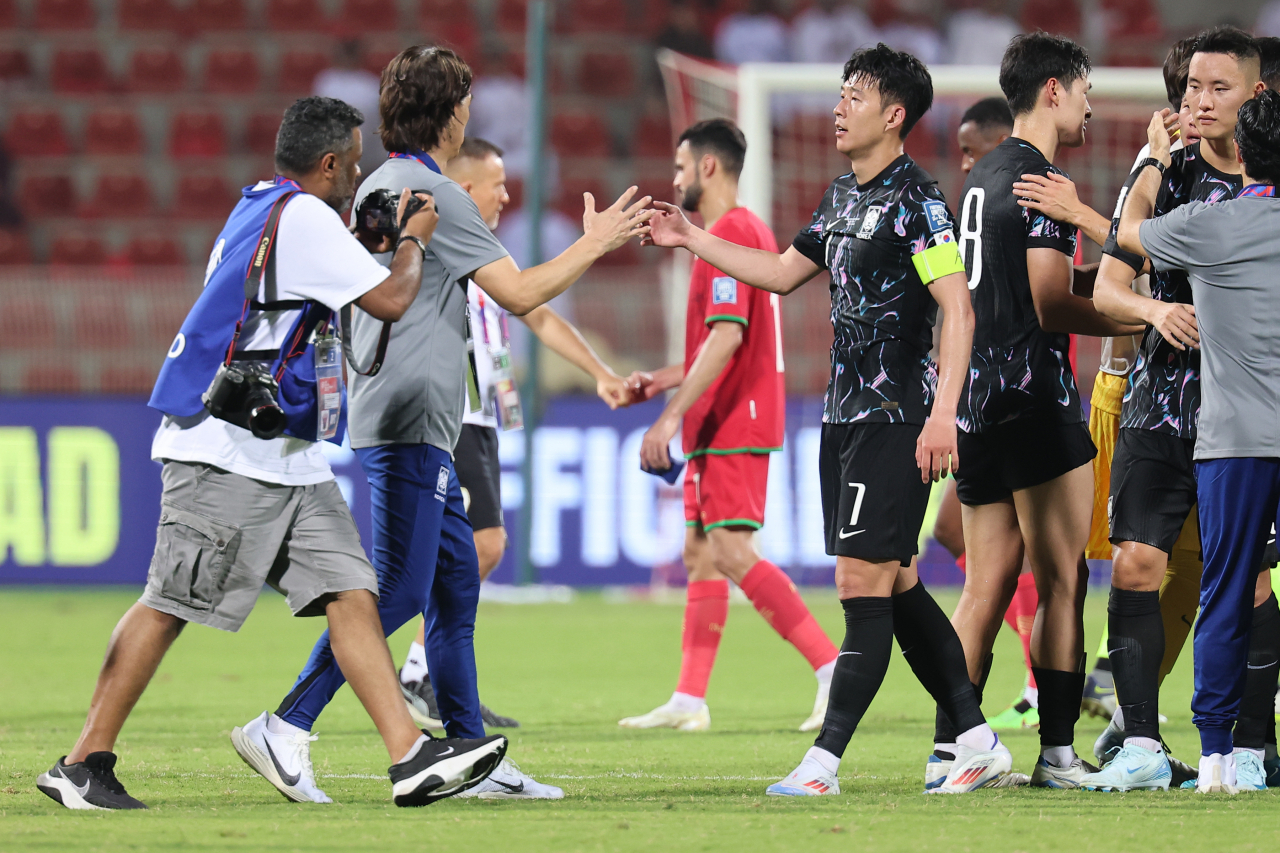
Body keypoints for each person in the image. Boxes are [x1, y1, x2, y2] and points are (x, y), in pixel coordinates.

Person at [36, 96, 510, 811]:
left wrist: (376, 245)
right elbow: (391, 301)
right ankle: (82, 763)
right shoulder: (309, 219)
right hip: (226, 451)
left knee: (353, 591)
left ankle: (410, 757)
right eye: (352, 163)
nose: (360, 175)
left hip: (286, 452)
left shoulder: (258, 207)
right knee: (169, 602)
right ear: (326, 164)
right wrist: (412, 240)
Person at [232, 47, 651, 804]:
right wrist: (596, 242)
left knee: (454, 585)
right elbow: (521, 294)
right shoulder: (435, 189)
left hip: (401, 410)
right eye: (465, 105)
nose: (469, 116)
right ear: (452, 114)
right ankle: (285, 723)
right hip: (410, 417)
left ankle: (471, 757)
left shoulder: (382, 183)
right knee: (396, 590)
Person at [645, 44, 1012, 796]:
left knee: (859, 580)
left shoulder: (919, 200)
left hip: (900, 416)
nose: (839, 107)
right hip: (843, 418)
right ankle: (976, 739)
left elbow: (958, 308)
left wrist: (944, 415)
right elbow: (781, 273)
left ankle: (825, 763)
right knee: (897, 579)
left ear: (895, 114)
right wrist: (692, 240)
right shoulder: (843, 194)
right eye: (840, 94)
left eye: (855, 96)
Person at [943, 32, 1145, 790]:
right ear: (1054, 90)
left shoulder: (979, 178)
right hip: (1034, 397)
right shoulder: (1040, 180)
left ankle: (952, 747)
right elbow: (1052, 299)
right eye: (1085, 88)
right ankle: (1058, 755)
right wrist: (1137, 317)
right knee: (1063, 582)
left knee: (984, 582)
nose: (1092, 102)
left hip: (978, 403)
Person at [1084, 27, 1279, 793]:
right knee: (1136, 563)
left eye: (1216, 88)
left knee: (1251, 585)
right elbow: (1105, 287)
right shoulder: (1167, 174)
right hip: (1162, 405)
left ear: (1253, 97)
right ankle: (1139, 743)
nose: (1197, 101)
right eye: (1192, 86)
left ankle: (1254, 747)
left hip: (1241, 418)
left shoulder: (1264, 180)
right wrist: (1153, 313)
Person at [397, 136, 633, 733]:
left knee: (467, 552)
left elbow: (540, 315)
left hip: (481, 416)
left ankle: (431, 678)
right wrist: (593, 243)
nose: (507, 192)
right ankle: (417, 674)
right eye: (497, 182)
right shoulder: (445, 246)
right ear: (466, 188)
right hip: (450, 416)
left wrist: (600, 372)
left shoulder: (485, 251)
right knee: (481, 546)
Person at [614, 119, 838, 734]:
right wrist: (663, 379)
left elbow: (728, 336)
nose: (676, 176)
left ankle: (830, 667)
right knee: (700, 555)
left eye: (682, 166)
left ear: (709, 167)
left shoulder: (729, 233)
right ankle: (689, 698)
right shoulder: (738, 235)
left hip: (734, 418)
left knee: (734, 552)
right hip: (724, 415)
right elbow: (724, 340)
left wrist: (668, 417)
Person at [937, 95, 1042, 733]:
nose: (966, 165)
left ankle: (1047, 687)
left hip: (1022, 404)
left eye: (974, 152)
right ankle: (965, 729)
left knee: (1052, 566)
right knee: (960, 541)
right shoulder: (971, 216)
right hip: (979, 404)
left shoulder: (1020, 200)